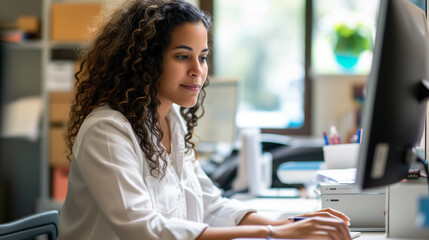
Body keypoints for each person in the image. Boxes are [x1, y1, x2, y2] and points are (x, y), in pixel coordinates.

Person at [59, 0, 351, 239]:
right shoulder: (107, 131)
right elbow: (143, 227)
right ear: (147, 60)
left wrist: (293, 222)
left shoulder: (172, 120)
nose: (198, 70)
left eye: (203, 57)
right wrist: (275, 232)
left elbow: (210, 206)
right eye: (183, 56)